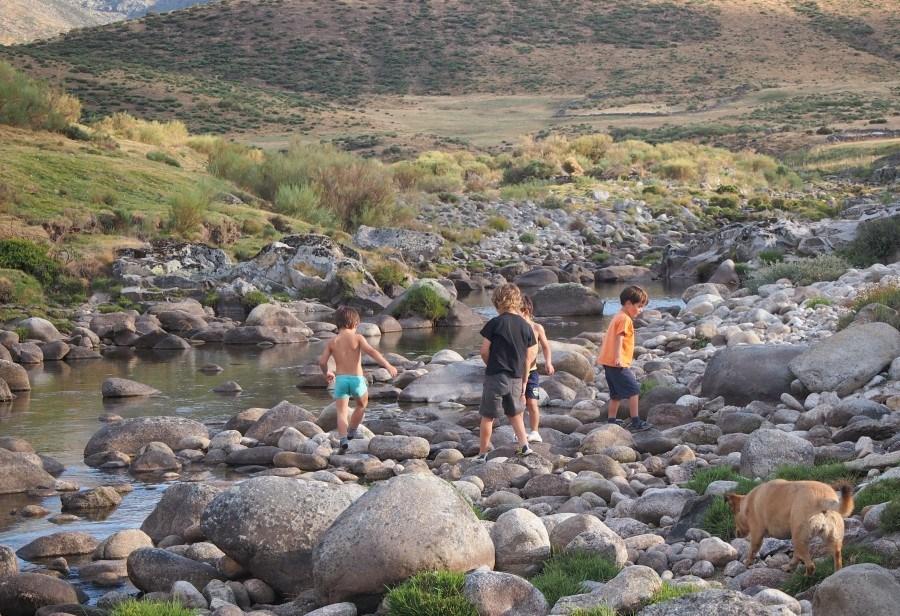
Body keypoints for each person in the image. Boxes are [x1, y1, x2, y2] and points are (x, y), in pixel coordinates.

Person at [318, 306, 398, 452]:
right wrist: (388, 365)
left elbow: (322, 362)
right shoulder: (358, 338)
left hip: (341, 381)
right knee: (361, 405)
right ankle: (352, 431)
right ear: (355, 324)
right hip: (357, 380)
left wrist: (327, 373)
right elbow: (372, 352)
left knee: (341, 413)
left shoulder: (332, 341)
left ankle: (343, 440)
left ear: (338, 324)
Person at [476, 283, 538, 461]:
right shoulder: (526, 326)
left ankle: (482, 453)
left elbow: (484, 351)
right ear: (517, 301)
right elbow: (530, 357)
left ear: (497, 301)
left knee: (488, 415)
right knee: (515, 413)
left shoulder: (495, 323)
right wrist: (525, 380)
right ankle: (524, 445)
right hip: (516, 377)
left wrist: (490, 364)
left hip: (496, 376)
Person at [596, 285, 652, 431]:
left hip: (608, 362)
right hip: (616, 363)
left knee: (616, 394)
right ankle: (636, 422)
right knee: (634, 391)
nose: (641, 310)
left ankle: (611, 420)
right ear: (628, 303)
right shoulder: (625, 319)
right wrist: (618, 357)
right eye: (639, 306)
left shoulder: (618, 316)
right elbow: (619, 338)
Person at [520, 295, 554, 443]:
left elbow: (546, 347)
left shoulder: (537, 327)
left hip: (532, 371)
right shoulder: (515, 328)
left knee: (532, 402)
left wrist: (548, 362)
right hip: (518, 372)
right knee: (519, 403)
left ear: (526, 310)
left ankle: (534, 431)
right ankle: (519, 432)